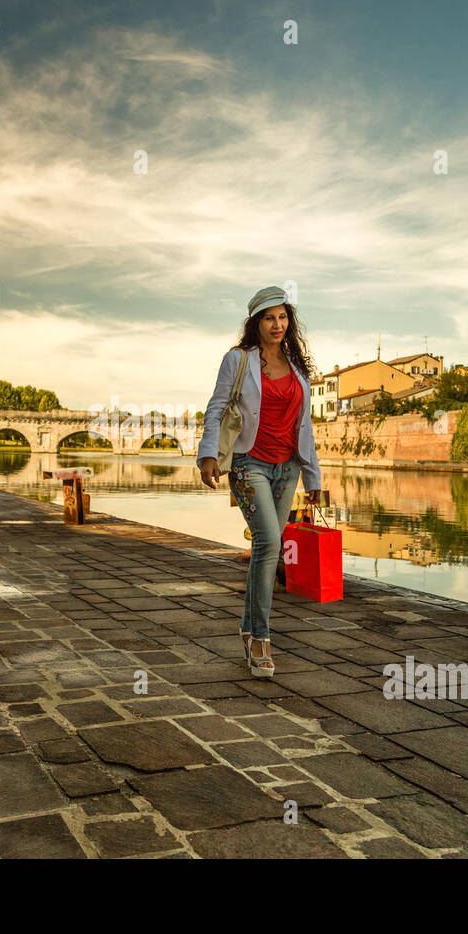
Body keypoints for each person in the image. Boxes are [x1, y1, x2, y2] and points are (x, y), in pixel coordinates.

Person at [196, 286, 322, 677]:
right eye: (269, 318)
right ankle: (262, 639)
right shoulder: (238, 360)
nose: (278, 324)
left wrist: (313, 474)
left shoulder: (298, 367)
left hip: (288, 468)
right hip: (249, 463)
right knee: (269, 541)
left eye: (283, 317)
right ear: (256, 323)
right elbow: (216, 408)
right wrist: (207, 455)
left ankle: (249, 631)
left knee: (269, 547)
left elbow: (306, 425)